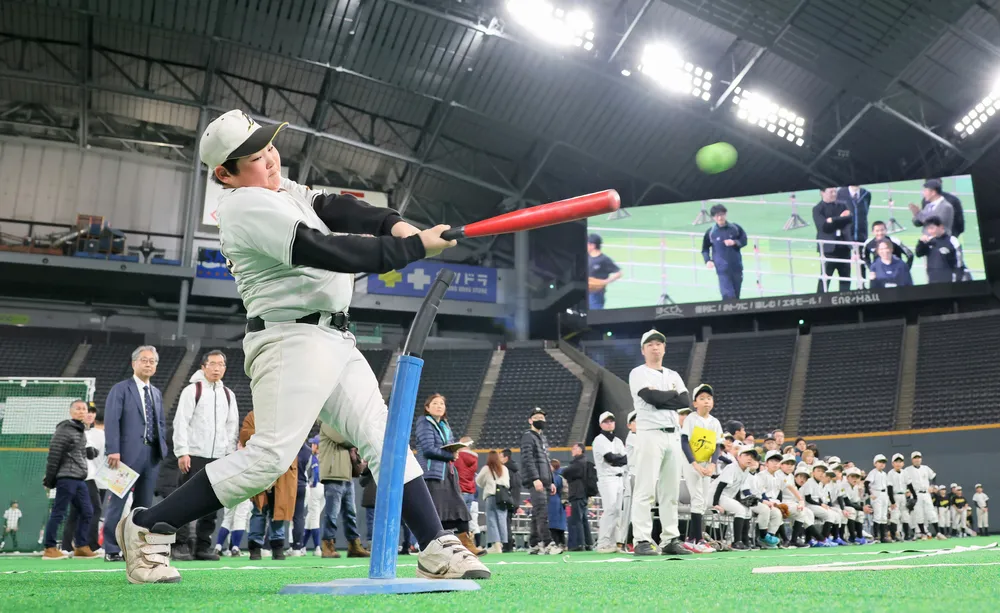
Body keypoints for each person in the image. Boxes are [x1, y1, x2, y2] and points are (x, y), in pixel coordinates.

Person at [111, 109, 487, 584]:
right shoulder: (244, 206)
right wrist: (414, 248)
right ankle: (146, 525)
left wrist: (397, 225)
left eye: (268, 145)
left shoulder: (279, 188)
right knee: (268, 458)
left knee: (384, 440)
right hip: (289, 339)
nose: (269, 159)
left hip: (336, 338)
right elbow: (323, 248)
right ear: (225, 174)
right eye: (253, 156)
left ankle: (435, 546)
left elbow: (337, 207)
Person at [171, 349, 239, 561]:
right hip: (195, 454)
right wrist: (183, 451)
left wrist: (228, 455)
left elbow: (232, 427)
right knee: (185, 501)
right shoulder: (192, 391)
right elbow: (181, 422)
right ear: (203, 367)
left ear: (225, 368)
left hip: (218, 457)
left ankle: (202, 545)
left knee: (212, 503)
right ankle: (180, 544)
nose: (217, 368)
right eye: (212, 364)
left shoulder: (229, 394)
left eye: (221, 364)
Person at [102, 345, 168, 563]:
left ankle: (137, 547)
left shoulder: (156, 393)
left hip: (151, 456)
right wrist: (113, 450)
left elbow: (159, 423)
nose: (148, 364)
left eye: (152, 361)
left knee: (143, 506)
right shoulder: (120, 389)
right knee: (117, 503)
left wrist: (162, 449)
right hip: (125, 456)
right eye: (144, 360)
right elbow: (112, 421)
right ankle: (111, 548)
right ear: (134, 363)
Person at [629, 329, 691, 556]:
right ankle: (642, 539)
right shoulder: (638, 372)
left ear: (664, 348)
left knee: (670, 490)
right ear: (643, 349)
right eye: (650, 344)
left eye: (659, 344)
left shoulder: (673, 374)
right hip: (649, 433)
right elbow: (650, 398)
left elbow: (685, 401)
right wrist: (669, 396)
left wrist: (661, 396)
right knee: (645, 488)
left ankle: (670, 539)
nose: (655, 347)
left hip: (672, 434)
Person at [415, 394, 481, 556]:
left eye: (442, 403)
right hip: (431, 474)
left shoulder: (445, 424)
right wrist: (450, 456)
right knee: (437, 511)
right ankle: (434, 546)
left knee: (457, 506)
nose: (439, 406)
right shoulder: (424, 423)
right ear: (427, 407)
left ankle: (465, 540)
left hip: (448, 473)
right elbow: (428, 449)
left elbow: (449, 445)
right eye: (435, 403)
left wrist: (455, 451)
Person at [42, 400, 99, 559]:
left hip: (79, 477)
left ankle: (81, 546)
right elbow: (54, 454)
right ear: (71, 412)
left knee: (87, 511)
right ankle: (50, 547)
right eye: (79, 409)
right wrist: (50, 478)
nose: (82, 412)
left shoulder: (80, 431)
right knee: (59, 512)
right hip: (67, 477)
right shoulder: (65, 429)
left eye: (85, 409)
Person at [680, 384, 721, 553]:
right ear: (695, 403)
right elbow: (684, 442)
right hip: (692, 464)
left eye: (709, 398)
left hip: (706, 465)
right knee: (697, 499)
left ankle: (692, 539)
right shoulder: (691, 419)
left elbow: (717, 446)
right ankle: (698, 540)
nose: (706, 402)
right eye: (702, 398)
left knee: (703, 501)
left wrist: (712, 464)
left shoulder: (715, 422)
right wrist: (694, 464)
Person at [318, 423, 367, 558]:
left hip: (346, 475)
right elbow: (345, 440)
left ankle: (354, 545)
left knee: (350, 514)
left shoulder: (336, 423)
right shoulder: (328, 423)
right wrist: (357, 435)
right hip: (333, 474)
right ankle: (328, 546)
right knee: (331, 514)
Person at [62, 405, 105, 555]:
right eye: (87, 412)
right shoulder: (77, 430)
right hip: (83, 475)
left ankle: (67, 546)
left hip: (85, 475)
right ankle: (90, 544)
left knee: (76, 511)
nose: (90, 415)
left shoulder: (92, 432)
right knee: (94, 509)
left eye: (92, 412)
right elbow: (89, 452)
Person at [520, 407, 560, 555]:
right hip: (536, 481)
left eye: (542, 418)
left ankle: (534, 544)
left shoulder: (541, 438)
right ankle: (548, 544)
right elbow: (527, 459)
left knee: (538, 513)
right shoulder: (528, 436)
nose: (540, 420)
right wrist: (535, 478)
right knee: (542, 513)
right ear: (530, 420)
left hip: (544, 481)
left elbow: (546, 461)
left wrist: (551, 481)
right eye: (536, 417)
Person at [591, 411, 626, 553]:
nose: (609, 423)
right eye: (606, 421)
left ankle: (614, 542)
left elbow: (624, 459)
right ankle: (603, 542)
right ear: (601, 424)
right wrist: (620, 458)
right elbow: (612, 458)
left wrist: (621, 459)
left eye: (611, 421)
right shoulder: (599, 440)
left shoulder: (617, 441)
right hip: (607, 478)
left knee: (618, 511)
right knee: (610, 510)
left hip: (619, 477)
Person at [711, 444, 758, 550]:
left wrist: (742, 501)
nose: (750, 458)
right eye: (746, 455)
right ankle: (737, 542)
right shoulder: (731, 467)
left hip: (727, 497)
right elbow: (720, 486)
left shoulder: (746, 470)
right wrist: (715, 504)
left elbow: (738, 488)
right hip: (716, 496)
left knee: (747, 510)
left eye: (752, 456)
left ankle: (745, 540)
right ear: (738, 457)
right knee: (740, 509)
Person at [700, 204, 748, 300]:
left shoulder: (735, 228)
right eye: (717, 215)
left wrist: (734, 242)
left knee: (736, 296)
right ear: (713, 217)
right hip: (722, 270)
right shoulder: (711, 232)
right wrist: (707, 260)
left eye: (721, 214)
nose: (719, 217)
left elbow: (744, 241)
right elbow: (705, 249)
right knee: (728, 297)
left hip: (736, 267)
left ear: (725, 214)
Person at [812, 187, 853, 292]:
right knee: (825, 279)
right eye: (831, 192)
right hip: (828, 250)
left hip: (844, 247)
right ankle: (820, 300)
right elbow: (824, 227)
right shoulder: (817, 209)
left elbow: (849, 219)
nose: (834, 194)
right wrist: (840, 219)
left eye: (835, 191)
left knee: (845, 278)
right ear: (822, 193)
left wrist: (832, 220)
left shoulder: (842, 205)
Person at [475, 450, 509, 554]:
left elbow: (478, 481)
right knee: (502, 520)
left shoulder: (487, 468)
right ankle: (502, 544)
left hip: (491, 496)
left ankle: (496, 545)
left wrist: (486, 485)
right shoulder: (504, 468)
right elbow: (507, 483)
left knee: (492, 520)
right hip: (503, 497)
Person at [561, 442, 591, 552]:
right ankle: (588, 543)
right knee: (583, 519)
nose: (572, 450)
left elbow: (566, 472)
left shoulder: (578, 463)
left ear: (580, 450)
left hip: (577, 493)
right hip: (582, 494)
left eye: (574, 448)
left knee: (576, 519)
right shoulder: (584, 462)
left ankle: (578, 543)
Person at [915, 216, 964, 284]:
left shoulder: (952, 241)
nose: (930, 231)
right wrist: (921, 242)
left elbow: (959, 263)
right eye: (928, 229)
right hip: (932, 281)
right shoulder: (929, 241)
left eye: (932, 228)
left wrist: (957, 280)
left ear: (941, 227)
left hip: (949, 282)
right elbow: (918, 254)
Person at [904, 451, 939, 540]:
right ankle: (923, 533)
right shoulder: (908, 470)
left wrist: (932, 486)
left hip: (926, 493)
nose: (917, 459)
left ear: (921, 459)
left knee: (931, 512)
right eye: (915, 458)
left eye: (918, 457)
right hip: (915, 494)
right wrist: (907, 490)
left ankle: (938, 532)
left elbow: (933, 476)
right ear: (912, 459)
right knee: (918, 514)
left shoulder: (926, 468)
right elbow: (903, 480)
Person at [616, 411, 638, 548]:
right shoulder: (633, 437)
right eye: (636, 421)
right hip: (631, 477)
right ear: (629, 425)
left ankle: (632, 541)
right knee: (628, 512)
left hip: (640, 476)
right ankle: (622, 541)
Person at [587, 233, 621, 310]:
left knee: (595, 315)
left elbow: (619, 273)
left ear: (593, 245)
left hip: (596, 294)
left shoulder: (604, 259)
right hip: (585, 292)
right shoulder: (586, 257)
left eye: (587, 244)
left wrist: (606, 281)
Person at [866, 454, 891, 543]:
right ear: (875, 463)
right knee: (877, 515)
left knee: (884, 516)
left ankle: (883, 536)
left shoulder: (884, 474)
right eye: (880, 462)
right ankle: (876, 536)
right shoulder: (873, 472)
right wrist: (870, 494)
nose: (882, 464)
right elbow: (866, 483)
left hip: (884, 494)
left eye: (883, 462)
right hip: (877, 493)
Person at [501, 449, 520, 553]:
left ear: (506, 458)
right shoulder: (516, 470)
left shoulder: (506, 470)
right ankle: (509, 545)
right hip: (515, 500)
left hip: (508, 500)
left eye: (501, 457)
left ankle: (507, 546)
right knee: (508, 523)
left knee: (505, 523)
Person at [455, 438, 479, 518]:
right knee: (466, 519)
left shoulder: (459, 457)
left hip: (460, 490)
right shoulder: (474, 457)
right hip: (470, 491)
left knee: (457, 518)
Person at [548, 459, 567, 548]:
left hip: (553, 502)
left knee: (553, 525)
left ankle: (556, 544)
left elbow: (551, 488)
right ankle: (562, 543)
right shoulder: (561, 475)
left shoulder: (555, 477)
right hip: (560, 502)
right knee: (559, 526)